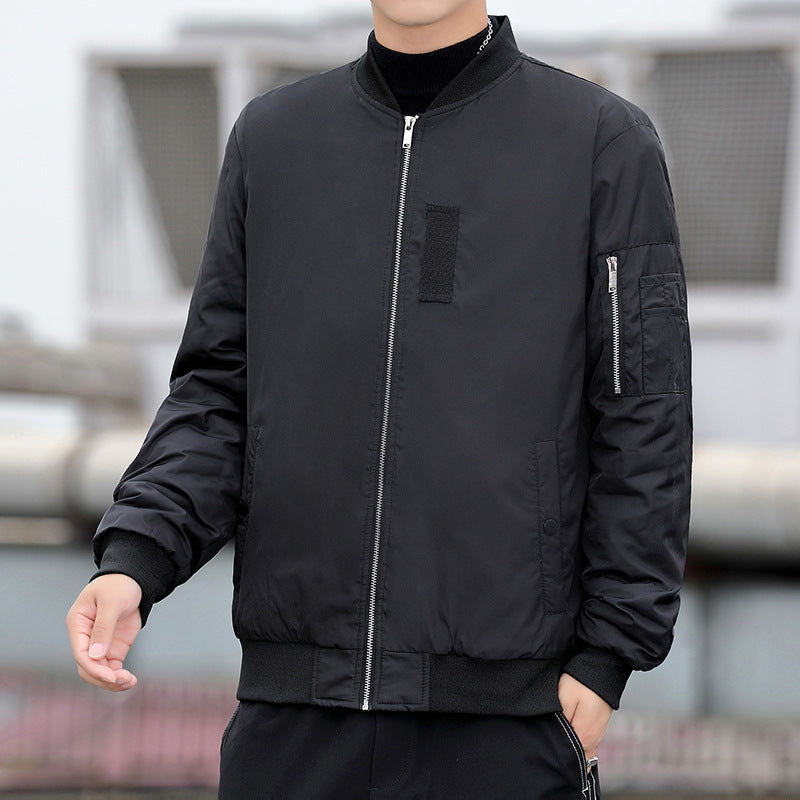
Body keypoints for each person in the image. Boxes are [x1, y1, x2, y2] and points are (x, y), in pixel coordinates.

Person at [65, 1, 693, 798]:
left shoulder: (602, 142)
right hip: (290, 718)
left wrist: (607, 659)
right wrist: (135, 560)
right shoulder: (274, 140)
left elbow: (645, 413)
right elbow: (218, 393)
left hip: (509, 721)